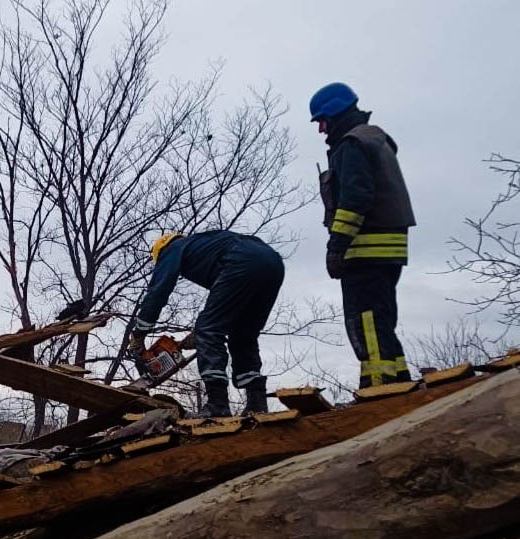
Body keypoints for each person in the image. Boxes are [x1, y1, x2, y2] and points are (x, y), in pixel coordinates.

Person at [310, 82, 416, 388]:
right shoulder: (374, 140)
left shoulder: (351, 145)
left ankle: (380, 385)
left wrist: (337, 245)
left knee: (365, 320)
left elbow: (355, 199)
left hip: (365, 249)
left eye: (321, 121)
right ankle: (398, 378)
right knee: (381, 319)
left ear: (334, 114)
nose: (321, 130)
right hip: (388, 248)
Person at [129, 230, 284, 417]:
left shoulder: (173, 248)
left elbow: (158, 290)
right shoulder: (207, 245)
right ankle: (256, 403)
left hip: (241, 260)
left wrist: (139, 333)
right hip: (273, 263)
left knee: (207, 329)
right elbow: (226, 305)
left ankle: (218, 405)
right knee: (243, 334)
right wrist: (199, 334)